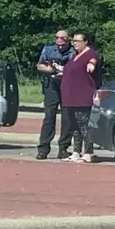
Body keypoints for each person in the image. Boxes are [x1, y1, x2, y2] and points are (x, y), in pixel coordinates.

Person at [59, 31, 101, 163]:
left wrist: (91, 65)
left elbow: (92, 61)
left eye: (77, 41)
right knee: (74, 126)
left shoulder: (90, 54)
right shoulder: (75, 55)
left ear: (85, 42)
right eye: (74, 41)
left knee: (84, 125)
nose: (74, 43)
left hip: (82, 96)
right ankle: (76, 151)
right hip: (70, 96)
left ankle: (88, 152)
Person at [35, 30, 74, 160]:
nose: (59, 41)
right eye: (57, 38)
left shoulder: (73, 52)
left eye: (62, 38)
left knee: (67, 117)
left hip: (67, 86)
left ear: (68, 39)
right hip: (51, 85)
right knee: (49, 117)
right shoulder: (48, 50)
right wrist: (49, 69)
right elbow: (40, 65)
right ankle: (43, 148)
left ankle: (63, 148)